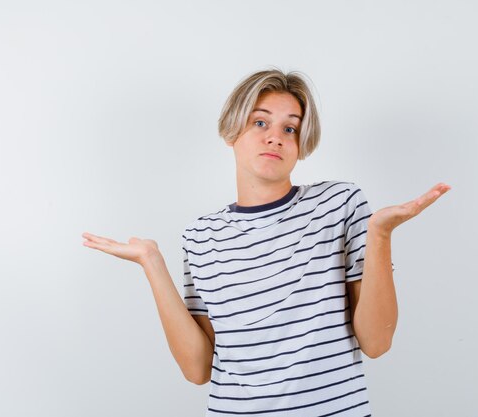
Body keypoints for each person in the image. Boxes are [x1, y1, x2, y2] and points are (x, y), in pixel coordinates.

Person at [82, 69, 451, 416]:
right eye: (260, 122)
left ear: (301, 144)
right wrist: (152, 262)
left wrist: (380, 235)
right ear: (231, 132)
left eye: (290, 129)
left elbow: (376, 343)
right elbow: (197, 370)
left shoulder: (340, 204)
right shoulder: (200, 236)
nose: (275, 136)